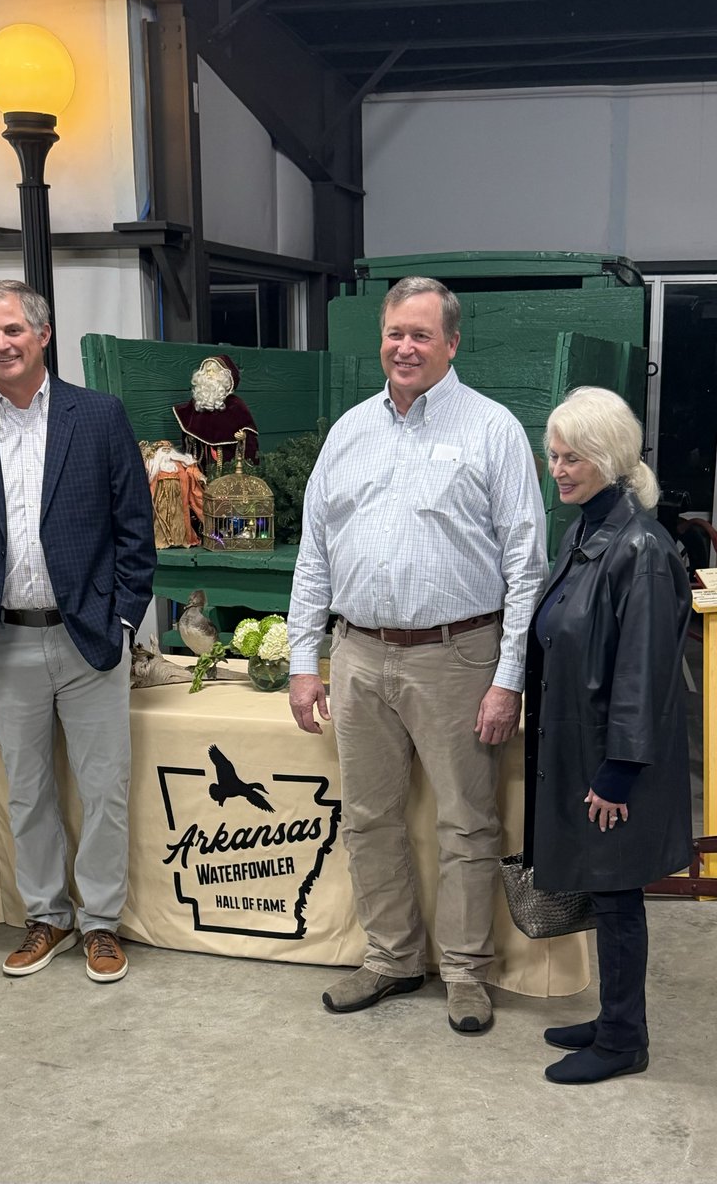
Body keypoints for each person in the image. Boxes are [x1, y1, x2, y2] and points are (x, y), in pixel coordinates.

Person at [287, 275, 547, 1034]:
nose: (405, 347)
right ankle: (393, 957)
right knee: (368, 818)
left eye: (422, 335)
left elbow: (526, 565)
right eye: (395, 333)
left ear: (452, 343)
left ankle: (465, 971)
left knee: (467, 823)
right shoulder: (349, 431)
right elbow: (314, 555)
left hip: (457, 656)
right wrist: (304, 661)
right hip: (358, 655)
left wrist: (508, 679)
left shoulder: (492, 429)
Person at [0, 280, 156, 984]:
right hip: (3, 642)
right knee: (26, 791)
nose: (1, 344)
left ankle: (102, 923)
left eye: (13, 330)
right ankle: (47, 916)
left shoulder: (99, 415)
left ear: (43, 335)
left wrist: (122, 618)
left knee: (104, 789)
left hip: (90, 638)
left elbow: (134, 528)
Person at [525, 386, 692, 1085]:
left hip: (615, 759)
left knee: (619, 895)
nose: (558, 469)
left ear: (610, 457)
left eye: (573, 457)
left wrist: (618, 774)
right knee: (603, 887)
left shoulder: (640, 549)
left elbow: (644, 674)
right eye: (554, 456)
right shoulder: (586, 533)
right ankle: (613, 1016)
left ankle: (624, 1040)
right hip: (584, 745)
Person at [172, 353, 259, 472]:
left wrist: (243, 437)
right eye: (207, 371)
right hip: (202, 466)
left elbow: (249, 435)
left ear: (224, 377)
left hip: (227, 467)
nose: (209, 374)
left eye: (213, 371)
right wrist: (191, 438)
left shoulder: (235, 405)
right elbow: (189, 427)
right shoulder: (198, 404)